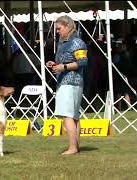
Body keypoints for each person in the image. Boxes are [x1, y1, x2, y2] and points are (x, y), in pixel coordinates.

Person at [46, 15, 88, 155]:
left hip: (69, 83)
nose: (57, 31)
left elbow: (83, 62)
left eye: (59, 28)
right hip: (70, 82)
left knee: (67, 115)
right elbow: (68, 62)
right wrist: (55, 64)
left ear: (68, 26)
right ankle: (75, 146)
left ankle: (72, 148)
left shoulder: (76, 42)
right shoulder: (63, 43)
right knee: (74, 116)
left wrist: (63, 67)